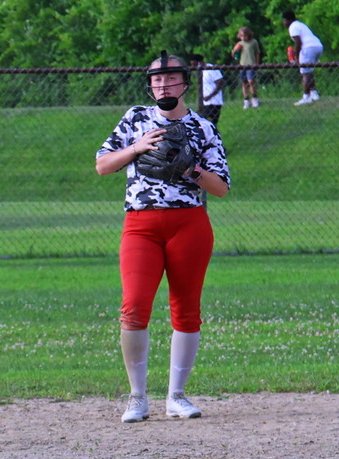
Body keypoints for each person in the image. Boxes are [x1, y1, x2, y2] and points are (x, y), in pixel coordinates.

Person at [94, 51, 231, 423]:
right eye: (157, 79)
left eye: (170, 79)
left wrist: (192, 170)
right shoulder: (136, 119)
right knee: (134, 306)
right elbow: (102, 165)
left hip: (189, 223)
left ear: (184, 83)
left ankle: (176, 396)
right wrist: (136, 148)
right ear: (150, 85)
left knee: (186, 309)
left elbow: (220, 188)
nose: (163, 85)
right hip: (141, 224)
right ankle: (137, 398)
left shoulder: (202, 127)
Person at [283, 10, 323, 105]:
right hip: (318, 46)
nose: (283, 23)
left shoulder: (293, 27)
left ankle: (306, 97)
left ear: (288, 20)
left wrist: (297, 57)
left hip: (308, 48)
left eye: (284, 20)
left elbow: (298, 42)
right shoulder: (300, 24)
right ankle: (314, 93)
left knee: (305, 73)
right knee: (309, 71)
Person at [190, 53, 225, 126]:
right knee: (203, 123)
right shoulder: (201, 71)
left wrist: (209, 96)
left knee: (210, 123)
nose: (194, 67)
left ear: (200, 62)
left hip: (213, 102)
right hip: (205, 103)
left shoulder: (211, 69)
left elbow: (220, 83)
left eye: (195, 65)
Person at [231, 26, 262, 108]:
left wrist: (257, 63)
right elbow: (234, 55)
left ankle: (254, 98)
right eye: (241, 36)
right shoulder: (239, 44)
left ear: (249, 35)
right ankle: (246, 100)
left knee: (251, 81)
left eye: (245, 36)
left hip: (251, 64)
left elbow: (257, 53)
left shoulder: (253, 42)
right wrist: (235, 50)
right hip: (242, 65)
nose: (243, 38)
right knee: (244, 83)